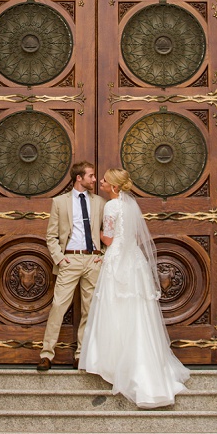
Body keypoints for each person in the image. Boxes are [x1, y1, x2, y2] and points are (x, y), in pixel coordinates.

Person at [79, 168, 190, 408]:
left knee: (116, 308)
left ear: (115, 187)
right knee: (137, 311)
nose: (101, 182)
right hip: (133, 262)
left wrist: (88, 231)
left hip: (117, 260)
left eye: (105, 180)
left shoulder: (112, 206)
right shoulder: (130, 206)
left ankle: (115, 362)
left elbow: (108, 239)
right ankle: (142, 362)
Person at [38, 161, 103, 370]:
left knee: (89, 309)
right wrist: (59, 257)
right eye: (91, 176)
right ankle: (47, 353)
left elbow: (110, 232)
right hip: (70, 259)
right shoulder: (59, 202)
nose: (94, 179)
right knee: (58, 306)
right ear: (79, 178)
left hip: (93, 260)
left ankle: (81, 355)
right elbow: (51, 235)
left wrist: (103, 255)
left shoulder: (100, 203)